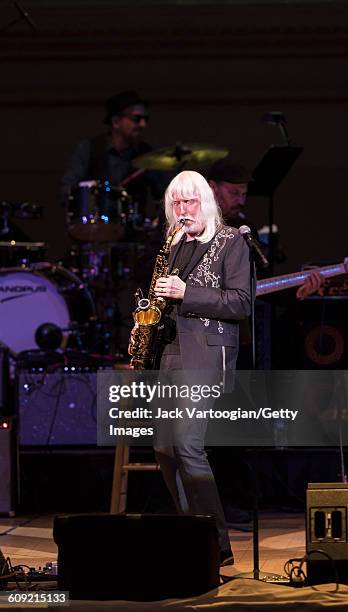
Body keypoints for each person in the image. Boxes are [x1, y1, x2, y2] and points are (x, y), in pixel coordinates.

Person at [152, 170, 251, 566]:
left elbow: (241, 302)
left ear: (205, 202)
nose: (182, 210)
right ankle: (191, 533)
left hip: (207, 353)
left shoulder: (231, 241)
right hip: (170, 351)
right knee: (164, 448)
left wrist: (186, 293)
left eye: (189, 202)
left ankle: (217, 543)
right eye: (175, 203)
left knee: (189, 445)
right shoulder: (173, 243)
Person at [207, 156, 323, 299]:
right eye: (234, 193)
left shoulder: (245, 229)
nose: (241, 202)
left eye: (244, 194)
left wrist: (297, 293)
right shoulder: (196, 227)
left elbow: (260, 283)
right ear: (212, 188)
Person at [61, 90, 167, 220]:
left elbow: (164, 196)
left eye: (146, 119)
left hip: (134, 234)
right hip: (94, 233)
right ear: (116, 121)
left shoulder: (147, 153)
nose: (143, 124)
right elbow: (67, 190)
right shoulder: (89, 149)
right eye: (136, 119)